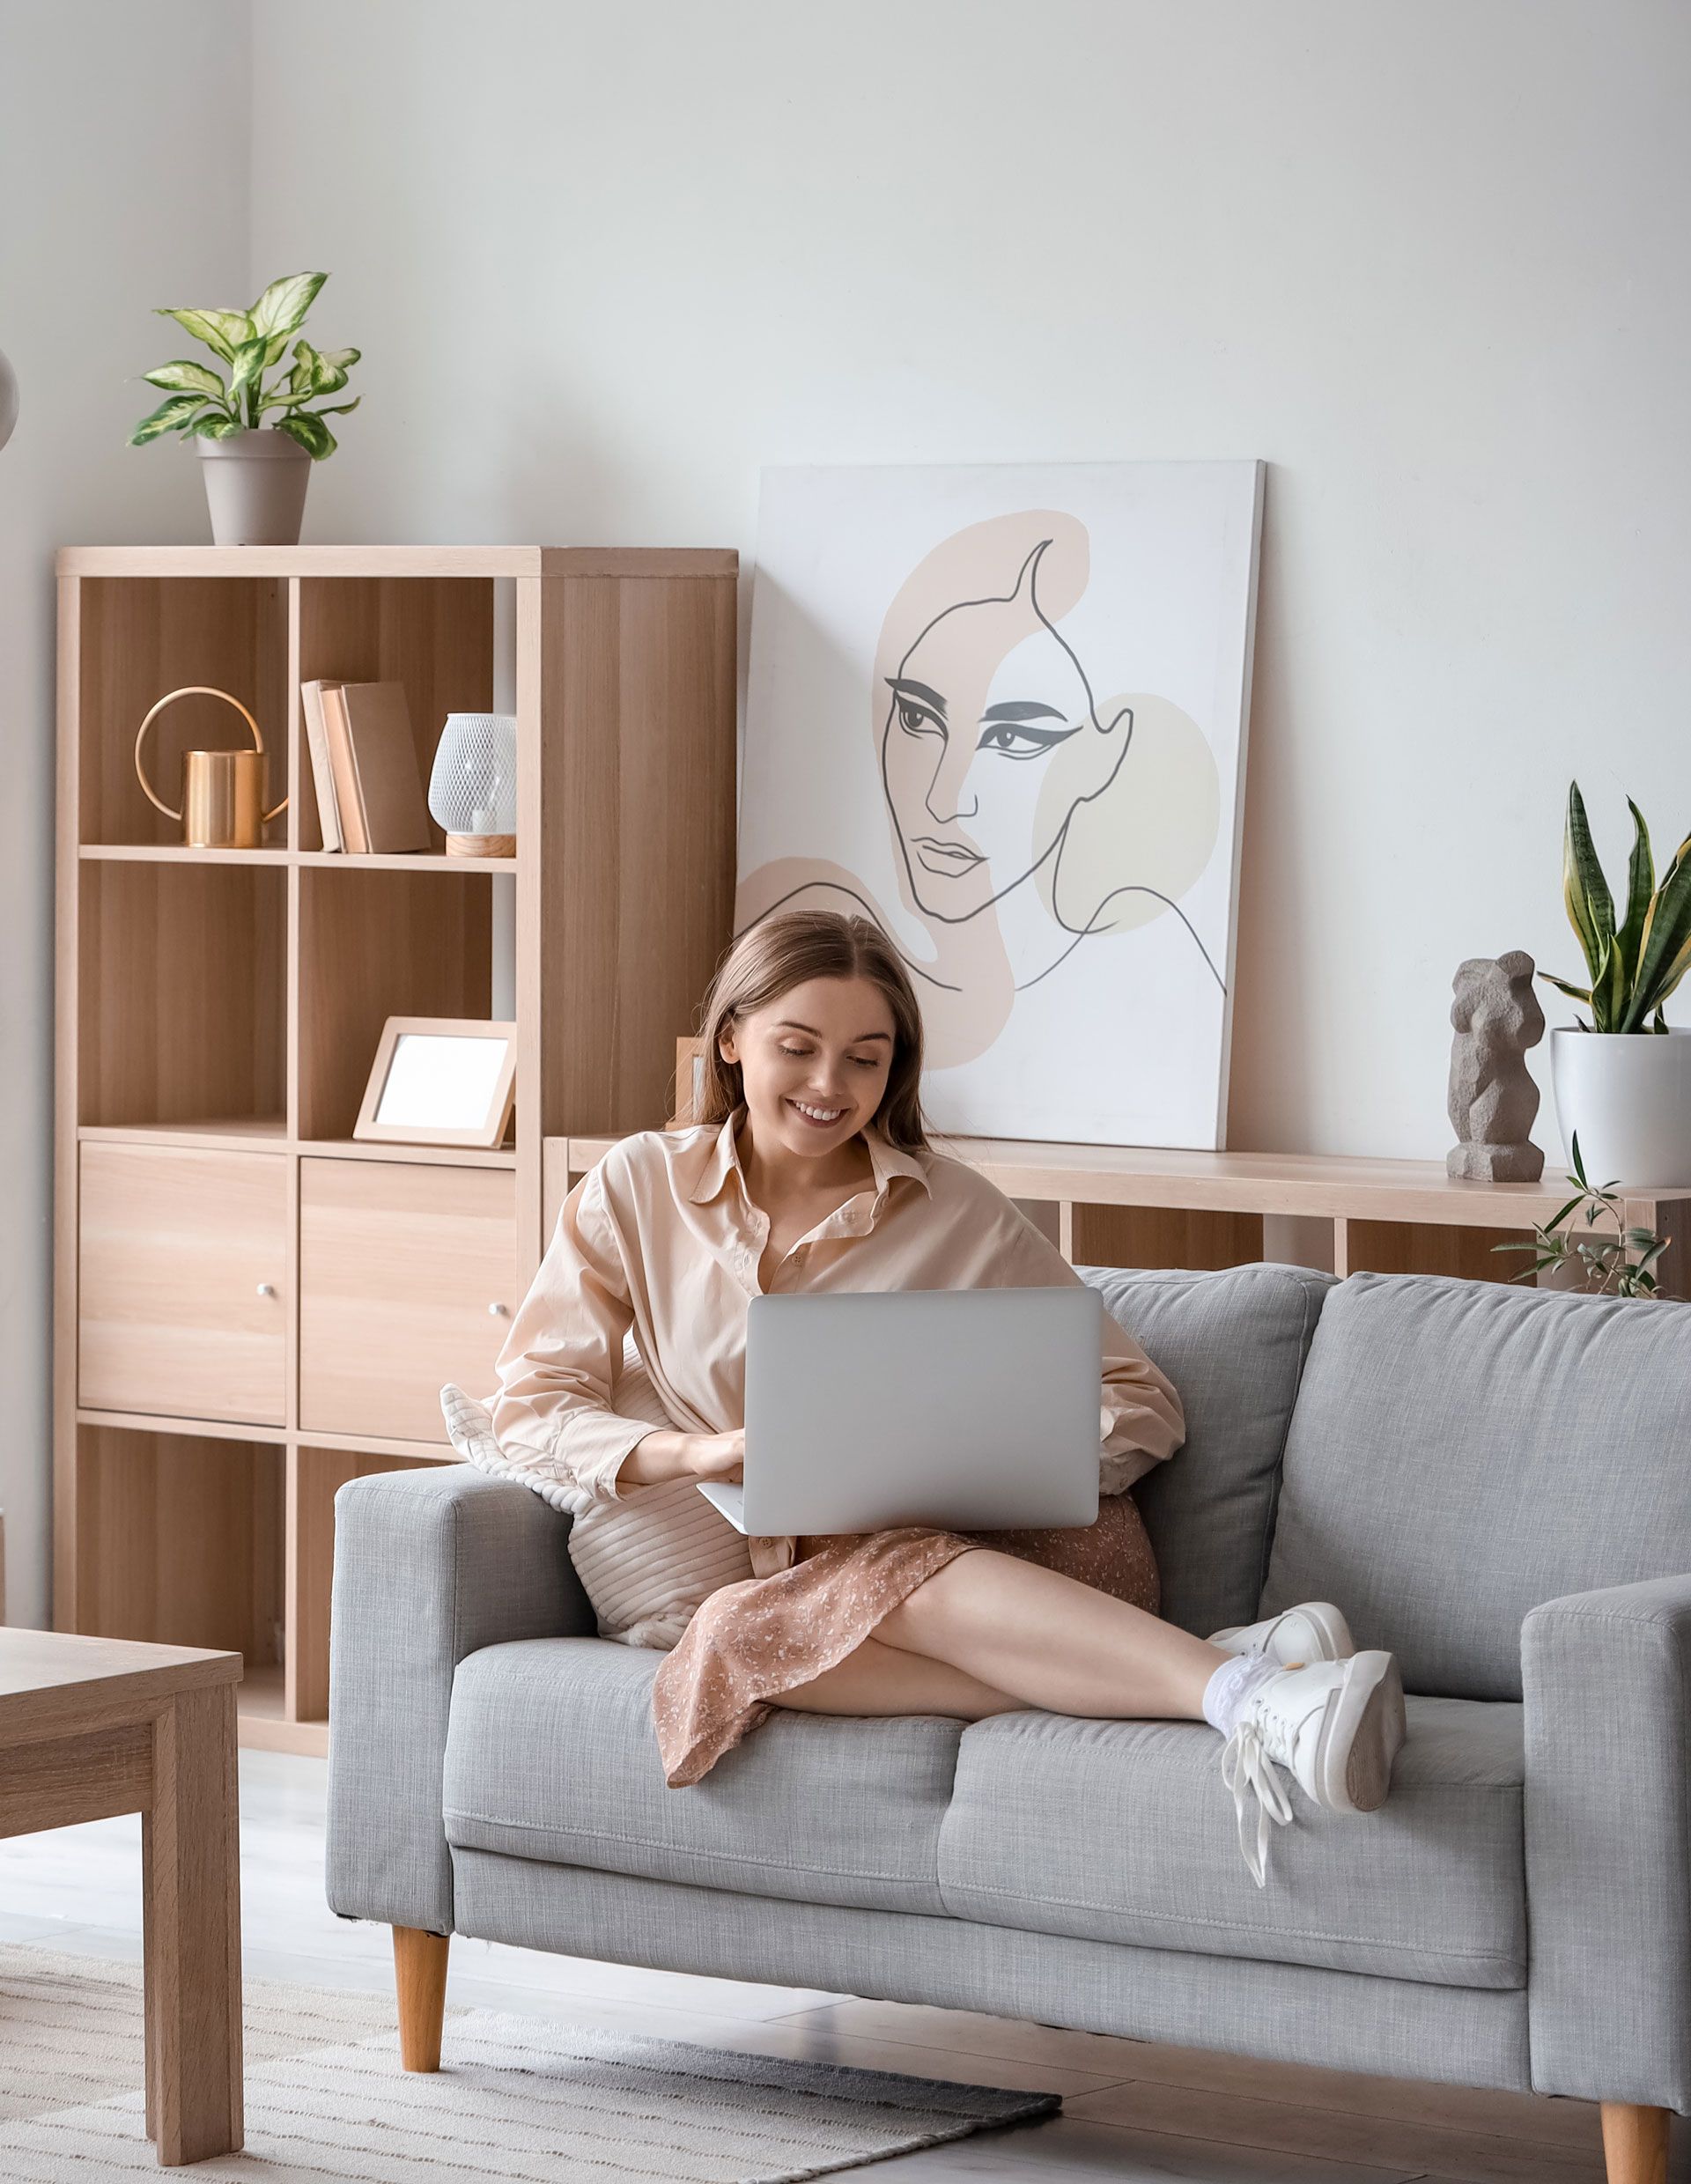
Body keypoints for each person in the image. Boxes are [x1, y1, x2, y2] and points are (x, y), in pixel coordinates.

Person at [485, 908, 1405, 1884]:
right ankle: (1197, 1667)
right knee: (728, 1635)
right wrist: (696, 1453)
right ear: (731, 1039)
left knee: (891, 1560)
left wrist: (982, 1464)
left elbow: (1140, 1397)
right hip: (830, 1591)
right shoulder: (638, 1186)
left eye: (865, 1059)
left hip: (1029, 1563)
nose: (829, 1085)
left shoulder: (955, 1208)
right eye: (797, 1047)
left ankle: (1254, 1697)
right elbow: (533, 1402)